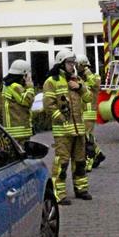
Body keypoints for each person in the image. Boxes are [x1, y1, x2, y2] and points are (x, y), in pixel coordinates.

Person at [43, 49, 93, 205]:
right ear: (61, 63)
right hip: (63, 131)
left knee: (80, 161)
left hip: (78, 129)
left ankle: (81, 189)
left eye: (73, 63)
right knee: (62, 162)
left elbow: (89, 97)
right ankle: (59, 194)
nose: (73, 66)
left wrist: (79, 87)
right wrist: (63, 119)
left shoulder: (77, 80)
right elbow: (49, 106)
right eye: (70, 63)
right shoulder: (52, 81)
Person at [76, 54, 106, 171]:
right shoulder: (80, 79)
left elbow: (96, 84)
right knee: (88, 137)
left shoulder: (95, 77)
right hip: (82, 112)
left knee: (87, 138)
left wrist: (87, 71)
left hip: (89, 113)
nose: (77, 68)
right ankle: (98, 154)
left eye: (79, 66)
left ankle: (89, 160)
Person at [1, 59, 36, 144]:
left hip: (14, 131)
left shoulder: (8, 86)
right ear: (24, 75)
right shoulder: (15, 86)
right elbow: (27, 101)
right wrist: (30, 87)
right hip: (19, 132)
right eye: (27, 75)